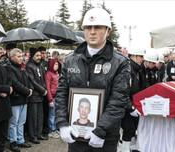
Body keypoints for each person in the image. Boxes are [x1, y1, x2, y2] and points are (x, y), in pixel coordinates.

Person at [55, 8, 131, 152]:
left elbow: (119, 100)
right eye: (88, 27)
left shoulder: (120, 62)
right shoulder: (70, 60)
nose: (92, 31)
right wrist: (62, 123)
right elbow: (61, 93)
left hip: (105, 138)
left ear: (108, 31)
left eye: (98, 27)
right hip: (76, 134)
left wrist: (101, 130)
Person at [6, 48, 32, 152]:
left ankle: (20, 139)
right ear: (11, 57)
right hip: (15, 99)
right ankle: (13, 141)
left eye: (22, 56)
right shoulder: (9, 68)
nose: (21, 58)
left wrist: (30, 89)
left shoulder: (22, 67)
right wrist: (27, 91)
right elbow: (15, 83)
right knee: (13, 122)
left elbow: (28, 80)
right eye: (18, 56)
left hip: (24, 99)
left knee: (22, 121)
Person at [121, 48, 146, 152]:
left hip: (132, 104)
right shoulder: (128, 69)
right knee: (128, 128)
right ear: (133, 56)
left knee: (131, 129)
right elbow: (123, 91)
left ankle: (128, 148)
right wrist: (130, 107)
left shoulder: (136, 69)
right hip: (126, 106)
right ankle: (124, 149)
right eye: (140, 56)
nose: (142, 59)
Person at [26, 48, 48, 144]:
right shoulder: (29, 66)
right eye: (37, 56)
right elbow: (32, 81)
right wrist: (42, 90)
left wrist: (44, 90)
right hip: (34, 95)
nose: (39, 57)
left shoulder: (40, 65)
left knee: (40, 116)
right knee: (33, 117)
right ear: (32, 56)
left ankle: (39, 134)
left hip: (41, 95)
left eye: (40, 55)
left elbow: (43, 79)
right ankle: (32, 135)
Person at [44, 58, 60, 139]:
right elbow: (48, 88)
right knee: (51, 114)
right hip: (52, 97)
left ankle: (55, 128)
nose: (57, 66)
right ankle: (51, 130)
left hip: (57, 97)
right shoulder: (48, 74)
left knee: (55, 114)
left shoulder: (56, 73)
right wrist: (50, 99)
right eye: (55, 64)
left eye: (57, 64)